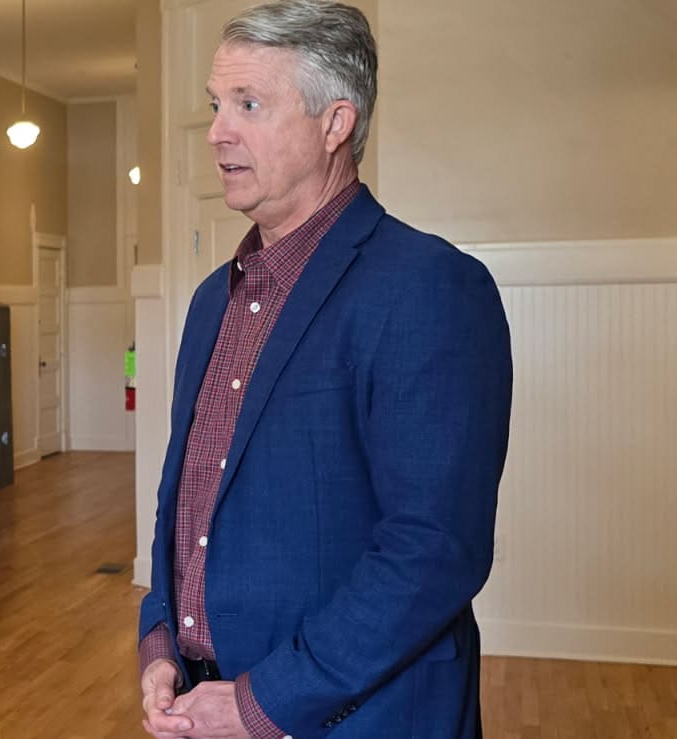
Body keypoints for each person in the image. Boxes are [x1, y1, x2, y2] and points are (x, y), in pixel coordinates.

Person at [136, 2, 512, 737]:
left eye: (248, 104)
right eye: (216, 105)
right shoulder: (213, 299)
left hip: (361, 717)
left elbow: (433, 549)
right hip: (202, 708)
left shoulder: (429, 287)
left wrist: (262, 702)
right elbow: (184, 496)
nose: (217, 131)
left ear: (336, 123)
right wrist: (160, 642)